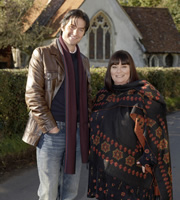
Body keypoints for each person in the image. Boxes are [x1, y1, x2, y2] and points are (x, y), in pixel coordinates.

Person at [22, 9, 91, 200]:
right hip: (51, 132)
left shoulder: (84, 61)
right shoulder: (42, 54)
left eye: (81, 29)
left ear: (84, 33)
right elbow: (33, 95)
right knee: (49, 191)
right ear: (62, 27)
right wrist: (50, 127)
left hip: (78, 132)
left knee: (71, 190)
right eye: (72, 27)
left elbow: (87, 97)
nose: (75, 33)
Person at [87, 50, 173, 200]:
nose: (119, 71)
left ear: (131, 69)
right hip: (106, 171)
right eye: (114, 67)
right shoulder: (102, 96)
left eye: (124, 66)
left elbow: (156, 131)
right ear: (109, 71)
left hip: (134, 172)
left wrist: (148, 157)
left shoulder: (143, 95)